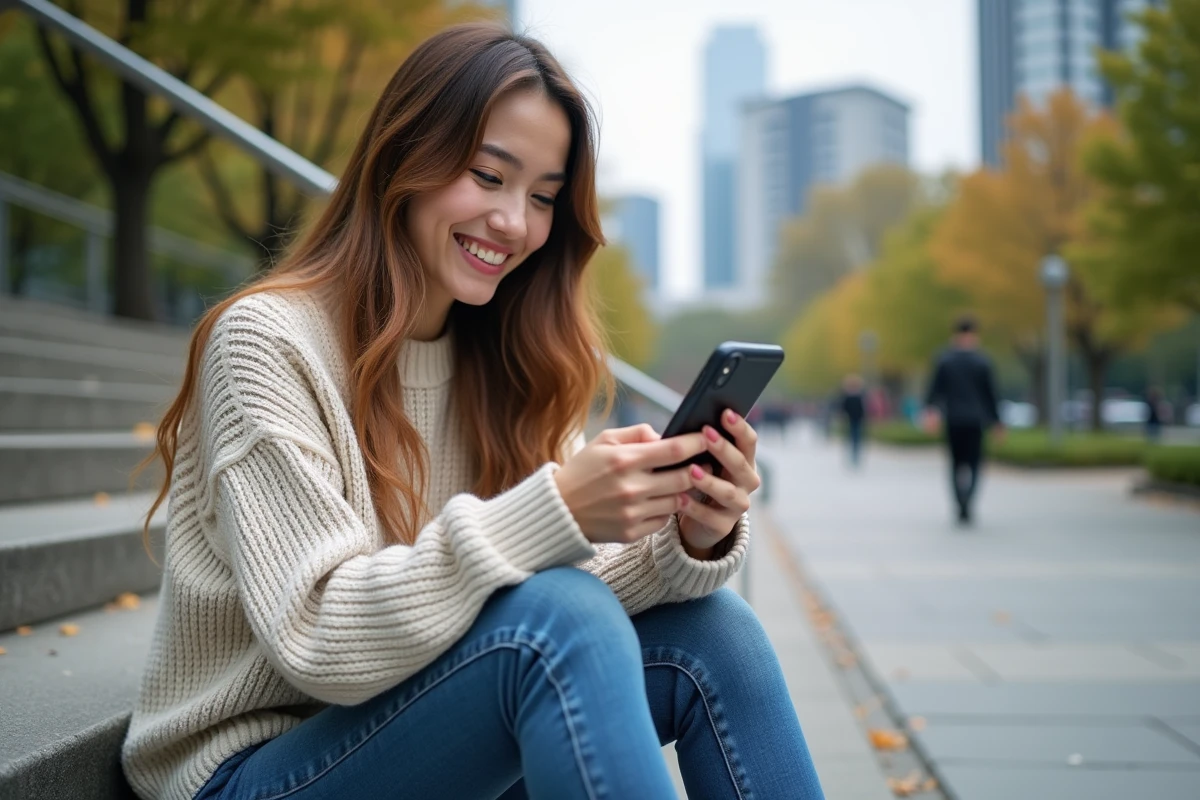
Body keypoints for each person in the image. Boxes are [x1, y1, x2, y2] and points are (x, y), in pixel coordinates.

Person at [122, 24, 823, 800]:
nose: (515, 223)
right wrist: (558, 508)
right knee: (555, 617)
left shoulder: (508, 362)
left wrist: (689, 535)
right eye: (489, 176)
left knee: (717, 634)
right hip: (253, 771)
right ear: (405, 157)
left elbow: (553, 602)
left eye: (543, 197)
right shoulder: (264, 343)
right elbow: (319, 635)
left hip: (423, 723)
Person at [922, 316, 1003, 525]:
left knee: (955, 464)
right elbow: (991, 394)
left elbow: (935, 390)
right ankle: (968, 500)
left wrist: (930, 412)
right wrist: (996, 421)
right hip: (976, 420)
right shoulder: (982, 360)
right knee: (975, 464)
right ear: (974, 335)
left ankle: (960, 502)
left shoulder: (945, 359)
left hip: (953, 419)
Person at [837, 374, 867, 467]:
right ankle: (853, 456)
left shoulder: (858, 396)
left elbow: (862, 409)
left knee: (855, 438)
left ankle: (854, 456)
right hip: (851, 420)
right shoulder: (848, 396)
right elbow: (843, 408)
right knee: (852, 438)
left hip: (856, 419)